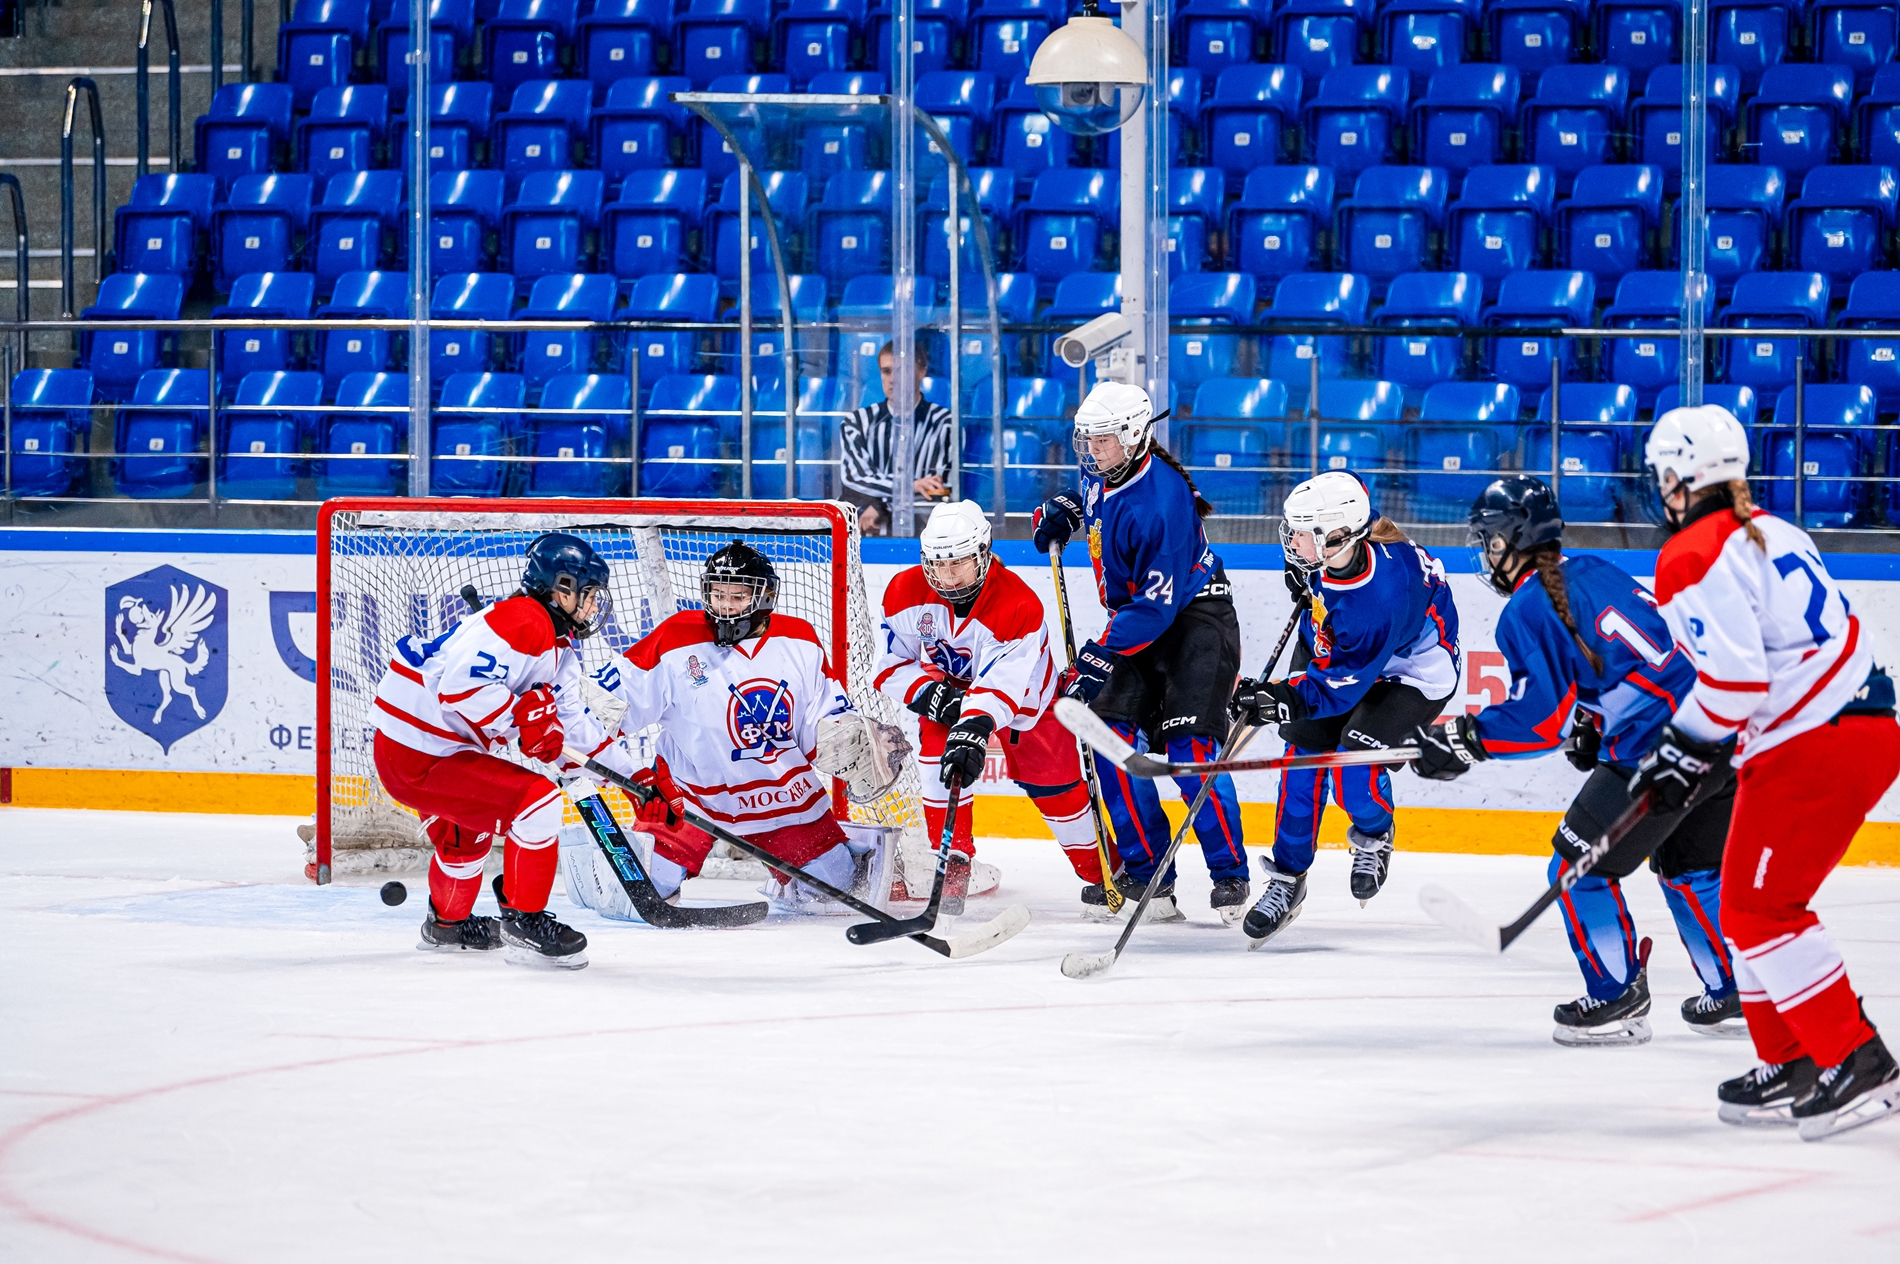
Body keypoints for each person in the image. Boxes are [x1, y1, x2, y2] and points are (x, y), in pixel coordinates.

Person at [1631, 404, 1899, 1140]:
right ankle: (1795, 1060)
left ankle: (1856, 1057)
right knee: (1746, 910)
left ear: (1680, 479)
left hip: (1816, 739)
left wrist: (1682, 749)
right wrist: (1687, 750)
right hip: (1842, 729)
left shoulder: (1689, 552)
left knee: (1760, 912)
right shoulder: (1773, 529)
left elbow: (1737, 683)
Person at [1410, 475, 1739, 1046]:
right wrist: (1593, 722)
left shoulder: (1528, 609)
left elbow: (1539, 722)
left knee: (1575, 870)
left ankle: (1614, 998)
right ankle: (1731, 989)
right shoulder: (1595, 569)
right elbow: (1632, 664)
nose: (1485, 554)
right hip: (1718, 734)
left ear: (1514, 540)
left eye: (1489, 542)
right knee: (1691, 871)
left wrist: (1463, 738)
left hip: (1655, 751)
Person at [1032, 381, 1249, 925]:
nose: (1092, 450)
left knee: (1190, 754)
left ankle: (1229, 873)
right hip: (1133, 623)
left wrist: (1100, 655)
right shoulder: (1106, 468)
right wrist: (1064, 508)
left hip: (1193, 620)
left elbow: (1158, 607)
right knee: (1113, 746)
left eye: (1102, 440)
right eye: (1087, 439)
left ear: (1133, 437)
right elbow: (1094, 499)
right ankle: (1150, 872)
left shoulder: (1162, 504)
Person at [584, 541, 886, 912]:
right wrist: (572, 719)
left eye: (738, 596)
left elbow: (818, 723)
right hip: (691, 796)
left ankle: (835, 856)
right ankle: (587, 857)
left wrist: (847, 740)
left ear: (764, 597)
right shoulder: (676, 637)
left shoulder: (799, 640)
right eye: (718, 594)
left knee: (835, 891)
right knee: (643, 889)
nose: (725, 606)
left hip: (782, 798)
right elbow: (610, 701)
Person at [1228, 471, 1460, 948]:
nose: (1292, 542)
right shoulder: (1341, 541)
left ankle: (1376, 833)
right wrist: (1305, 582)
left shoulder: (1378, 598)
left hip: (1411, 671)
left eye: (1303, 536)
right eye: (1292, 531)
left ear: (1338, 539)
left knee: (1353, 762)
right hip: (1346, 652)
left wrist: (1283, 698)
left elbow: (1339, 685)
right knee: (1302, 764)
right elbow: (1347, 491)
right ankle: (1289, 877)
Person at [371, 532, 607, 969]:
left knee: (466, 835)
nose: (595, 607)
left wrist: (633, 777)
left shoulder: (552, 640)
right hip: (421, 753)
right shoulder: (526, 622)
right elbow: (458, 689)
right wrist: (520, 721)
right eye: (589, 595)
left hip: (420, 747)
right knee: (537, 802)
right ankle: (525, 921)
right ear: (561, 589)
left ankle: (448, 926)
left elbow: (571, 726)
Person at [876, 499, 1111, 915]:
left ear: (984, 554)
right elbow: (891, 663)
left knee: (1059, 793)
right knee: (937, 755)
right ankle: (953, 860)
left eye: (959, 563)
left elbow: (1003, 686)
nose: (947, 576)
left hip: (1026, 706)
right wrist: (930, 694)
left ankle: (1102, 873)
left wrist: (974, 722)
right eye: (938, 564)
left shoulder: (1018, 604)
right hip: (949, 697)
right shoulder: (905, 591)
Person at [839, 340, 955, 537]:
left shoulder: (945, 423)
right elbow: (855, 478)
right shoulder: (855, 422)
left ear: (922, 371)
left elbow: (937, 488)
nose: (893, 379)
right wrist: (910, 485)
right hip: (861, 536)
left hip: (922, 538)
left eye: (901, 371)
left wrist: (881, 505)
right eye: (886, 371)